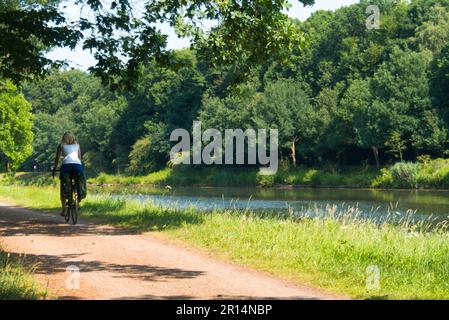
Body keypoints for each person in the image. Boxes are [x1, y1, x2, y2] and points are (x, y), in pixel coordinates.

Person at [52, 132, 86, 217]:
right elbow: (79, 158)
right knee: (80, 181)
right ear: (73, 137)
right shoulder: (77, 145)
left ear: (64, 138)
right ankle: (79, 198)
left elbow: (57, 158)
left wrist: (55, 168)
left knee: (63, 187)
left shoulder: (61, 145)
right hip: (77, 166)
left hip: (66, 165)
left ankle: (64, 210)